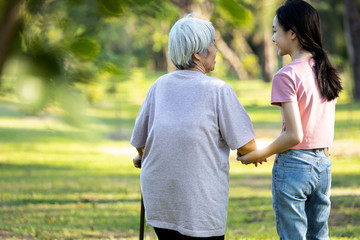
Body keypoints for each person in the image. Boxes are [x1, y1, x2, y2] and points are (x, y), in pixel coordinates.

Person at [131, 14, 262, 240]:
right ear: (197, 54)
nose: (216, 51)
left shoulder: (159, 86)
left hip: (161, 201)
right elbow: (247, 147)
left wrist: (145, 156)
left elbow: (140, 145)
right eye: (212, 45)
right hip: (199, 208)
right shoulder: (218, 90)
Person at [238, 0, 343, 239]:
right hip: (323, 164)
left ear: (292, 34)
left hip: (295, 166)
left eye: (276, 31)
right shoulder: (325, 69)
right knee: (319, 234)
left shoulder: (286, 75)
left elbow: (295, 135)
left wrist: (259, 153)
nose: (273, 37)